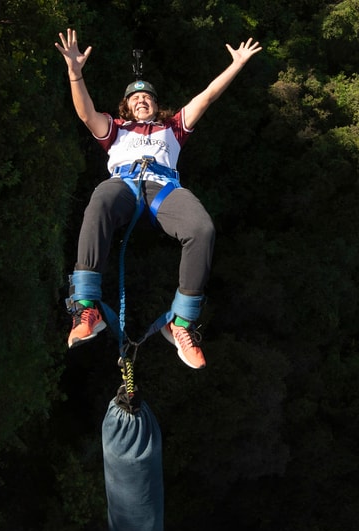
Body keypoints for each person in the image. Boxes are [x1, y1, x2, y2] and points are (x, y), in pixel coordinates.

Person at [55, 28, 261, 369]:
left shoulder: (174, 127)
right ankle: (86, 306)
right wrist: (75, 73)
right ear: (126, 107)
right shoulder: (116, 128)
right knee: (101, 201)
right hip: (123, 184)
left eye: (147, 97)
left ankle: (181, 323)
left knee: (202, 228)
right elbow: (85, 113)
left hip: (162, 188)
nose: (141, 100)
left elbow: (207, 97)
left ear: (156, 104)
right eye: (135, 99)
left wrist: (236, 65)